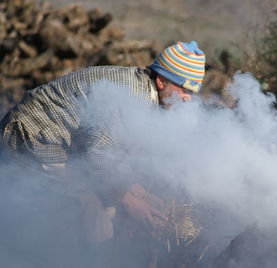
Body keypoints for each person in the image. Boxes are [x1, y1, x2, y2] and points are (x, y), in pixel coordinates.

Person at [0, 41, 206, 266]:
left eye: (192, 92)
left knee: (111, 196)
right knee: (91, 200)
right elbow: (96, 158)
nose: (187, 98)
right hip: (30, 136)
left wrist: (141, 195)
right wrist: (130, 200)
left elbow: (112, 156)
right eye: (183, 89)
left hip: (61, 141)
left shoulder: (147, 95)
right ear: (161, 80)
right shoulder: (130, 96)